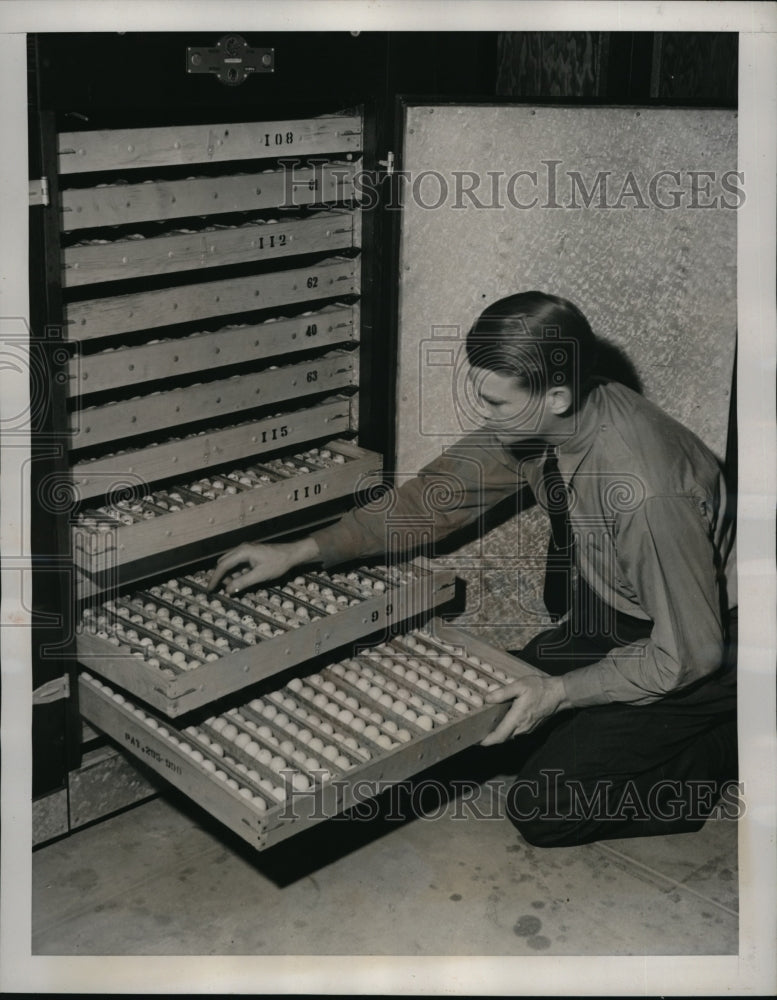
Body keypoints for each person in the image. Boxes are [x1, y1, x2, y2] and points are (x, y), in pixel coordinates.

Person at [208, 291, 738, 847]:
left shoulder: (646, 494)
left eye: (498, 404)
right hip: (623, 613)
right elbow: (431, 501)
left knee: (544, 806)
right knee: (489, 723)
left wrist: (561, 691)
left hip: (711, 645)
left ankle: (727, 741)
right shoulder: (551, 419)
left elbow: (687, 653)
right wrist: (301, 549)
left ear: (556, 396)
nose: (486, 418)